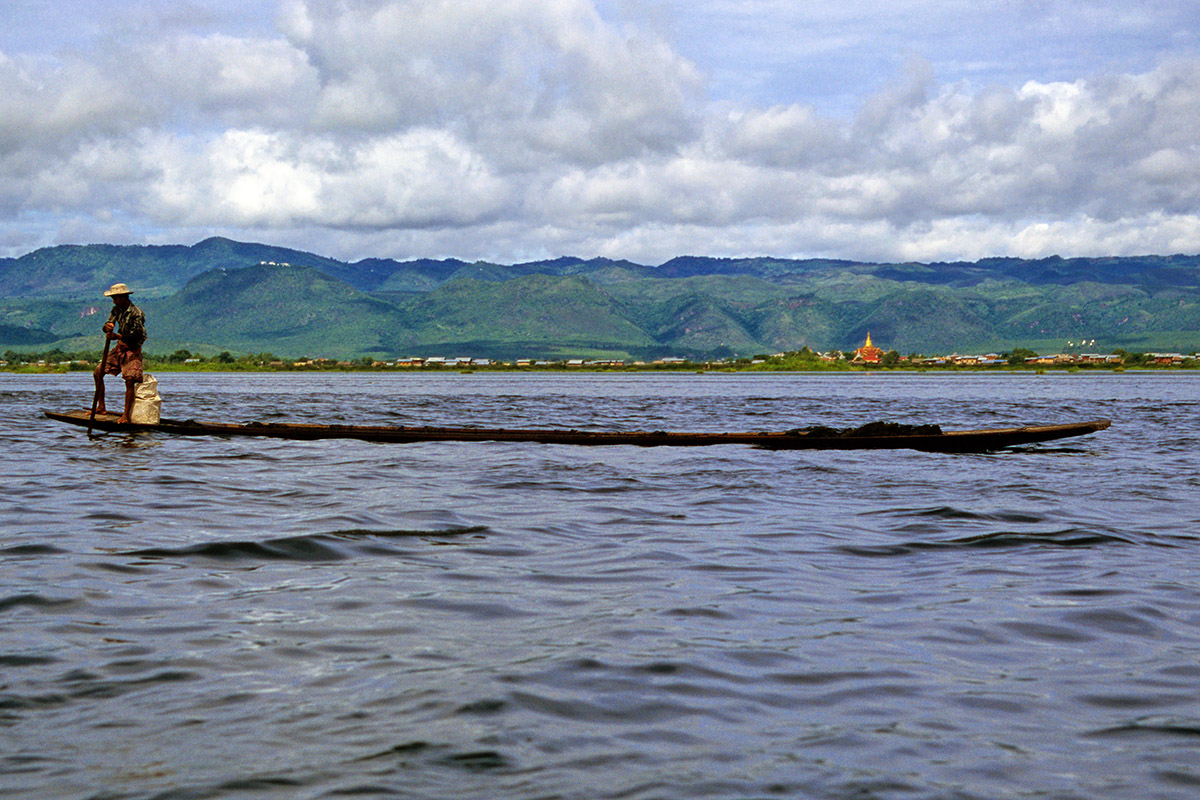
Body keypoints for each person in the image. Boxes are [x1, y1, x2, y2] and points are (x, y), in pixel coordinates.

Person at [93, 283, 147, 423]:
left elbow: (138, 334)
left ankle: (126, 415)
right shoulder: (116, 310)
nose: (114, 301)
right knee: (98, 373)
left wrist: (118, 336)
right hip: (119, 349)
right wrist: (107, 328)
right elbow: (107, 326)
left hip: (132, 349)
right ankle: (101, 407)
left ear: (123, 297)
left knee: (130, 380)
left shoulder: (136, 313)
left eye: (116, 298)